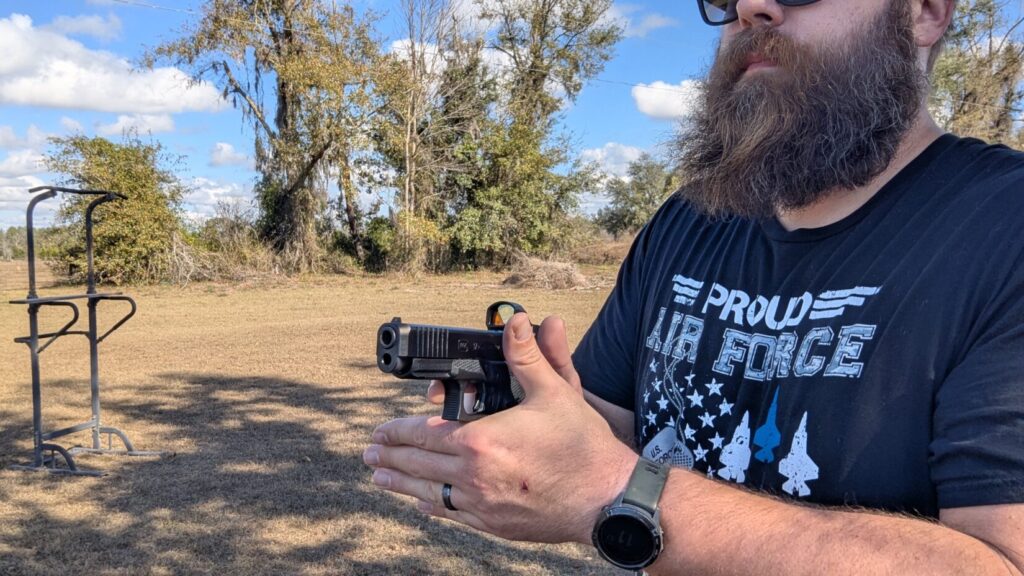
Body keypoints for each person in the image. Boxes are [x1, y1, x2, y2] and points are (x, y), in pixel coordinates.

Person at [363, 0, 1024, 572]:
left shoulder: (1004, 227)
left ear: (926, 12)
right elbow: (604, 428)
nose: (751, 9)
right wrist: (533, 413)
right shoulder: (691, 218)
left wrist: (619, 492)